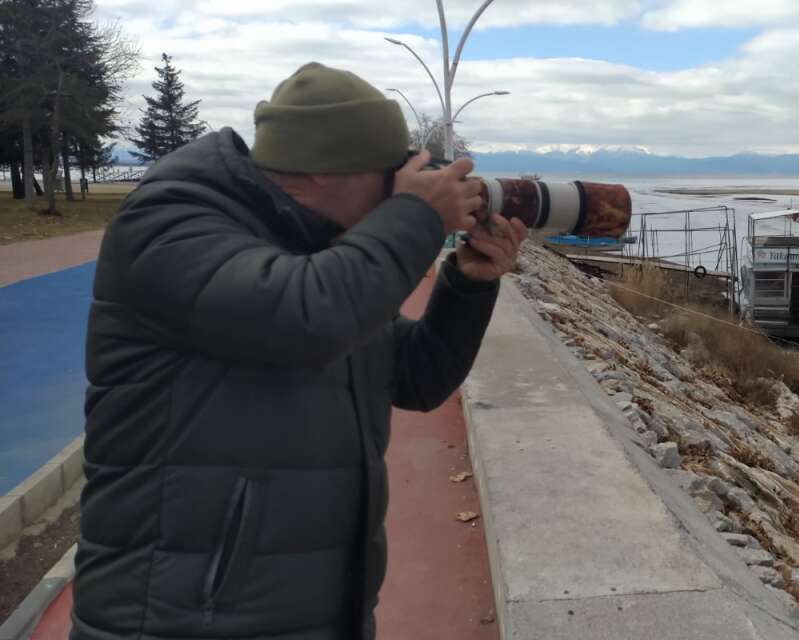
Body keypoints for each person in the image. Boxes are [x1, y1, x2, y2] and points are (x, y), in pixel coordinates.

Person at [72, 62, 527, 640]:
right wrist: (415, 216)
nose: (401, 190)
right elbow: (306, 319)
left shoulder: (321, 255)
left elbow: (416, 377)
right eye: (391, 176)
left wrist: (468, 282)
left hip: (317, 612)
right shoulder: (168, 225)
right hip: (183, 617)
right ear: (321, 174)